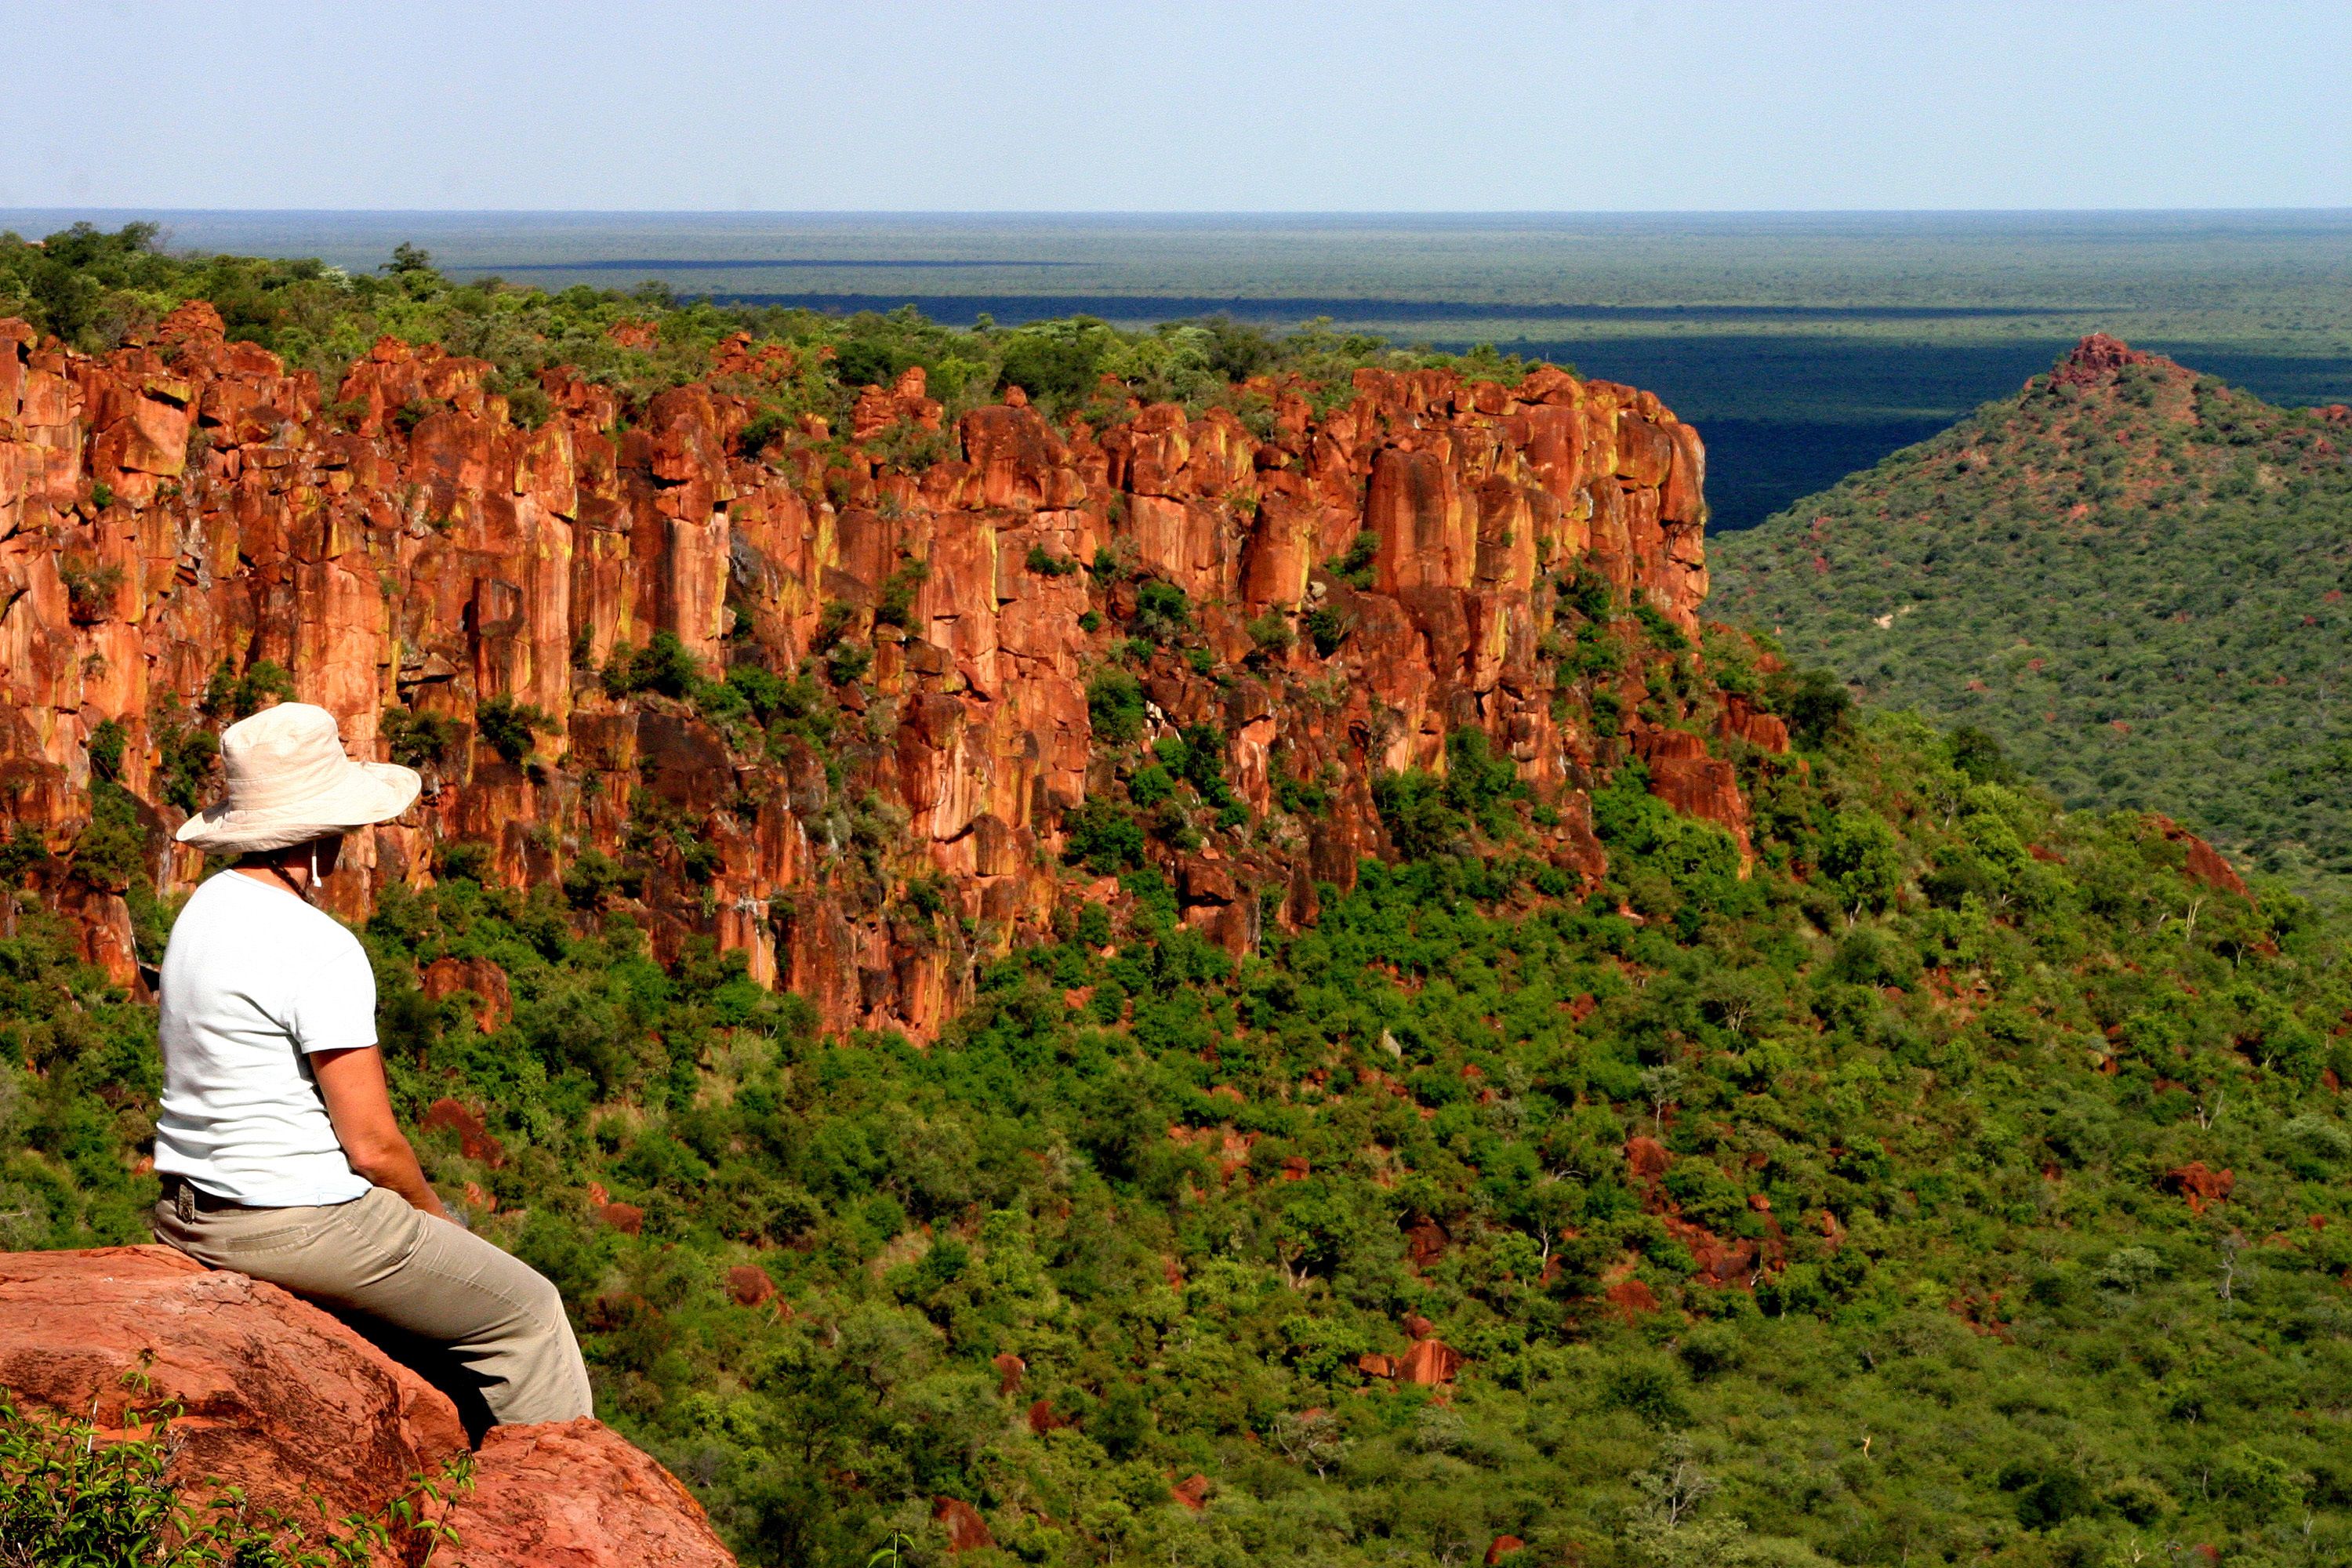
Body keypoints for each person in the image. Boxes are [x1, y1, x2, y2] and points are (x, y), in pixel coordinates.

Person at [148, 701, 590, 1428]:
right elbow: (375, 1148)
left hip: (191, 1212)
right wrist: (437, 1223)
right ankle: (557, 1503)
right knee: (528, 1313)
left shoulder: (201, 910)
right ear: (323, 833)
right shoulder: (316, 945)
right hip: (294, 1225)